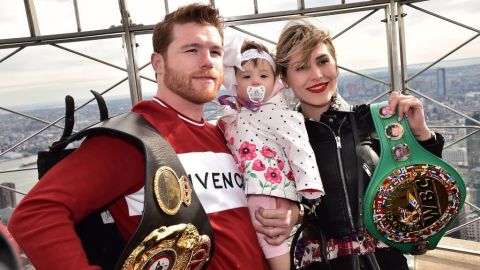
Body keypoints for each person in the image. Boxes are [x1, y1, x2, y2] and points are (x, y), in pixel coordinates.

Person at [8, 4, 299, 269]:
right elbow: (35, 214)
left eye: (215, 51)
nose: (208, 62)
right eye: (191, 50)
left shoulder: (226, 134)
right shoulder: (132, 140)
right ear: (158, 63)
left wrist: (290, 214)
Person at [275, 21, 445, 270]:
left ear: (336, 64)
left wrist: (420, 136)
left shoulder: (375, 120)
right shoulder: (284, 137)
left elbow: (428, 192)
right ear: (285, 79)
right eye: (301, 67)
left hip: (388, 262)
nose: (317, 75)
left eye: (323, 61)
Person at [218, 37, 324, 270]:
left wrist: (309, 186)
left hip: (265, 186)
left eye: (263, 76)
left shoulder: (280, 113)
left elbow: (300, 148)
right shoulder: (234, 113)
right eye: (246, 76)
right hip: (241, 189)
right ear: (234, 81)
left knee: (269, 237)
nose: (255, 81)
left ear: (275, 81)